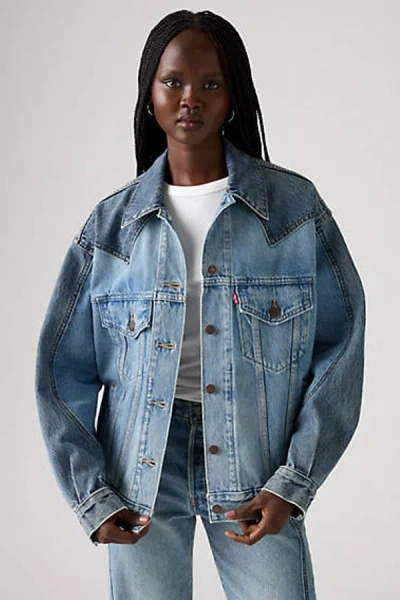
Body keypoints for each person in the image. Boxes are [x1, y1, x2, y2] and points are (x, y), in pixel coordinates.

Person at [35, 9, 366, 600]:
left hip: (255, 465)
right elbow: (63, 373)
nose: (190, 97)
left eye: (210, 83)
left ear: (233, 98)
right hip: (140, 471)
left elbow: (340, 348)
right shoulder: (110, 229)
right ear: (150, 96)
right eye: (173, 82)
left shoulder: (293, 212)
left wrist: (294, 481)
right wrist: (91, 494)